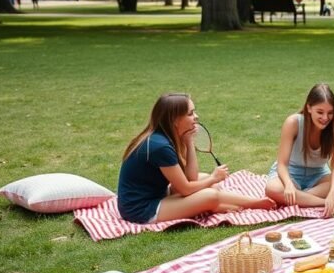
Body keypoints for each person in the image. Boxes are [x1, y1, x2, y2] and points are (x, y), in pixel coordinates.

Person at [118, 93, 276, 224]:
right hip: (141, 210)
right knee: (210, 194)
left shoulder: (164, 138)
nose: (196, 116)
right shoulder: (160, 146)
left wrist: (188, 142)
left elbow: (191, 178)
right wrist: (214, 178)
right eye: (190, 113)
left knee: (204, 179)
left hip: (156, 195)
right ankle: (253, 203)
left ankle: (223, 204)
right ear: (174, 120)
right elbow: (185, 189)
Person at [264, 83, 334, 217]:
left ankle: (301, 198)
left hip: (318, 177)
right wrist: (288, 185)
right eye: (320, 112)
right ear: (309, 107)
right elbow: (282, 164)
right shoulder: (293, 123)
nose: (325, 118)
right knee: (272, 189)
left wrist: (332, 193)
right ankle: (320, 202)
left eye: (330, 113)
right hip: (291, 173)